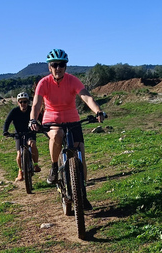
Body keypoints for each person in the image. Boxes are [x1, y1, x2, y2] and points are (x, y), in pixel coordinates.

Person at [30, 48, 106, 209]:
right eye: (54, 65)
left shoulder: (73, 80)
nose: (58, 68)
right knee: (57, 135)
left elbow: (86, 96)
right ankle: (54, 167)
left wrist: (97, 110)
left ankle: (82, 193)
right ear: (49, 67)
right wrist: (33, 119)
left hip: (72, 120)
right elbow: (36, 104)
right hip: (52, 119)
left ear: (66, 67)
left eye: (62, 65)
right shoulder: (43, 83)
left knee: (80, 157)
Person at [2, 92, 41, 181]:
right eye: (21, 102)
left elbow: (41, 118)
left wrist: (43, 126)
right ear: (18, 103)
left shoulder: (32, 110)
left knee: (32, 144)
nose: (23, 104)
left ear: (28, 102)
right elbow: (7, 122)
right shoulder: (14, 111)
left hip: (30, 133)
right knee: (19, 154)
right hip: (18, 134)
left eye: (25, 102)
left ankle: (35, 165)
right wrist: (5, 131)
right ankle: (20, 171)